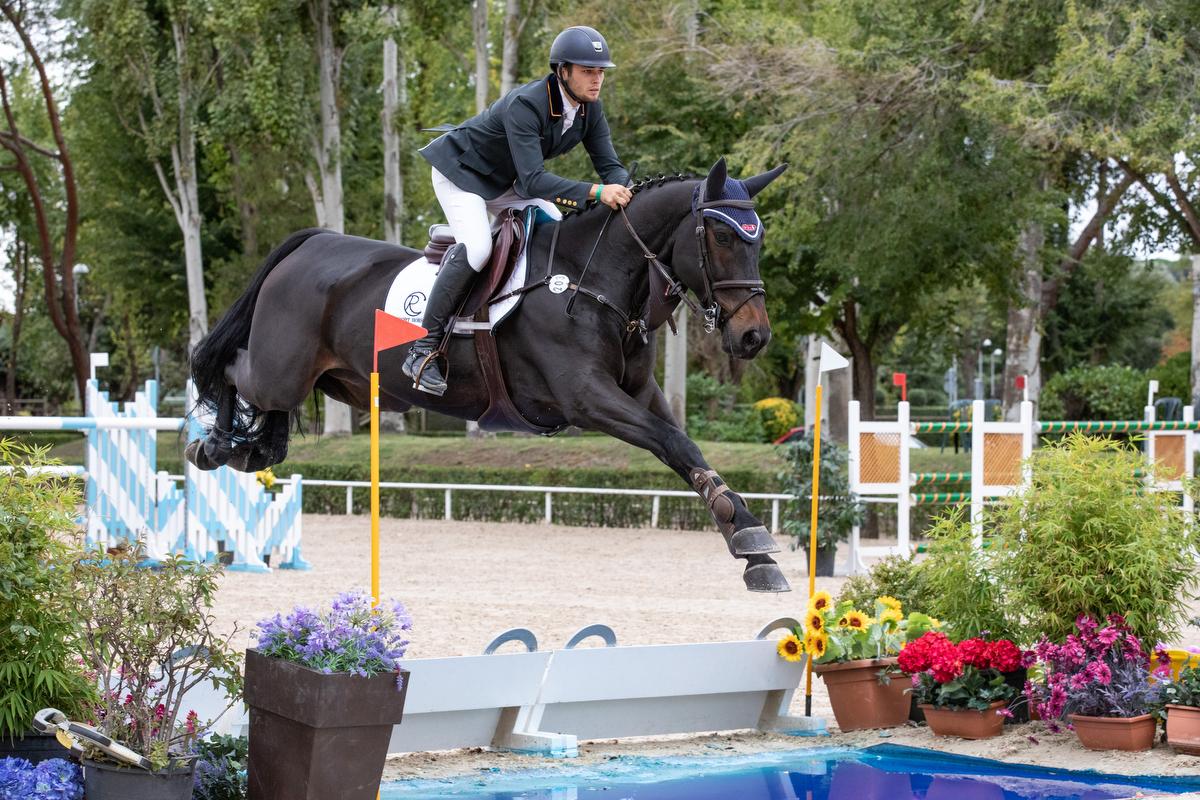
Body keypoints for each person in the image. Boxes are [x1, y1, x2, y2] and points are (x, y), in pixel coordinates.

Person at [404, 25, 632, 396]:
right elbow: (535, 180)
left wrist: (628, 190)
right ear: (563, 71)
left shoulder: (591, 110)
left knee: (559, 229)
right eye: (588, 71)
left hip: (508, 182)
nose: (597, 80)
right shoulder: (528, 104)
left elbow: (610, 165)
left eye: (601, 71)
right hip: (462, 174)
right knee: (478, 248)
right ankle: (422, 349)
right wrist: (596, 191)